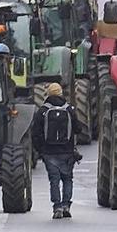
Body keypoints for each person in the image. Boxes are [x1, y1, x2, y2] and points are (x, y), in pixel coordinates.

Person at [31, 82, 81, 218]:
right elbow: (78, 129)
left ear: (48, 93)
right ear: (60, 93)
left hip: (49, 152)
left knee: (54, 180)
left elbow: (35, 133)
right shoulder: (69, 109)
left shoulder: (42, 111)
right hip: (67, 152)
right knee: (67, 179)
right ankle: (66, 205)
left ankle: (57, 207)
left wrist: (40, 150)